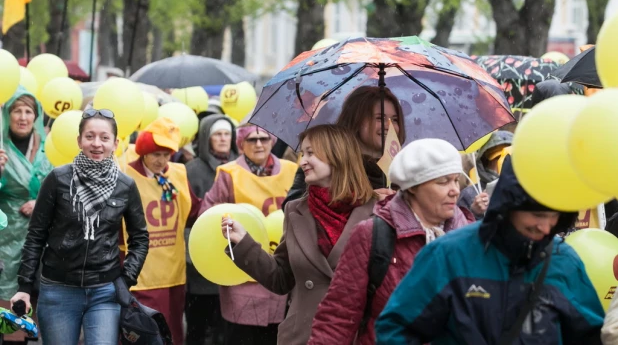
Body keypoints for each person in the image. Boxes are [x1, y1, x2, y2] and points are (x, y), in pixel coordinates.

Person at [375, 157, 604, 344]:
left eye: (554, 216)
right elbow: (397, 328)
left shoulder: (564, 262)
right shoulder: (448, 256)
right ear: (510, 205)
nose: (545, 227)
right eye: (537, 215)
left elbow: (590, 336)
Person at [221, 125, 376, 345]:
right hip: (304, 335)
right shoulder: (295, 211)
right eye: (302, 153)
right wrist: (243, 242)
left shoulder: (377, 211)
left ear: (337, 154)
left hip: (359, 335)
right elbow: (281, 278)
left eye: (311, 153)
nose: (302, 161)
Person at [307, 138, 473, 344]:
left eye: (456, 180)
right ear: (412, 187)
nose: (455, 190)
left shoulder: (471, 237)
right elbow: (338, 316)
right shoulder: (373, 234)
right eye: (443, 181)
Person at [11, 108, 149, 344]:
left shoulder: (125, 185)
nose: (97, 144)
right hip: (58, 290)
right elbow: (36, 235)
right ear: (79, 140)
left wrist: (126, 280)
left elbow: (140, 238)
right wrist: (24, 285)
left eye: (104, 138)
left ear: (115, 143)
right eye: (90, 136)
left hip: (105, 291)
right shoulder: (57, 179)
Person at [200, 123, 297, 345]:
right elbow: (209, 214)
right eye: (252, 140)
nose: (259, 144)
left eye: (264, 138)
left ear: (272, 141)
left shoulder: (292, 170)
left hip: (282, 265)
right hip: (243, 271)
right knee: (243, 336)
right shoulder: (228, 174)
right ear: (241, 144)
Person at [124, 117, 202, 345]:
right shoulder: (127, 175)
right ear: (144, 153)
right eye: (156, 154)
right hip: (141, 272)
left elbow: (193, 210)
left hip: (173, 270)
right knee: (145, 333)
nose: (161, 161)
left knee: (173, 331)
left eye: (166, 154)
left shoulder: (177, 173)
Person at [284, 86, 406, 205]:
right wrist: (363, 202)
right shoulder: (325, 161)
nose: (389, 126)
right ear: (357, 120)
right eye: (380, 118)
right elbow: (294, 208)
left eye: (394, 120)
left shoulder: (403, 170)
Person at [185, 114, 238, 345]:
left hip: (235, 258)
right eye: (218, 134)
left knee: (226, 330)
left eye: (227, 134)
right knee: (198, 326)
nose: (223, 139)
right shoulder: (192, 170)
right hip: (200, 262)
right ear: (207, 138)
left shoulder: (240, 168)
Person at [0, 88, 53, 305]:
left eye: (29, 111)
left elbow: (62, 187)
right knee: (7, 292)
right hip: (6, 236)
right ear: (7, 115)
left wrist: (39, 203)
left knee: (38, 296)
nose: (23, 117)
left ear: (36, 116)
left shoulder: (49, 147)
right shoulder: (1, 148)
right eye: (17, 111)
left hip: (42, 234)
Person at [458, 131, 513, 219]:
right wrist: (475, 212)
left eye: (509, 157)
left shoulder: (525, 191)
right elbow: (458, 229)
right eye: (498, 158)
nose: (503, 162)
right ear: (485, 162)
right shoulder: (469, 194)